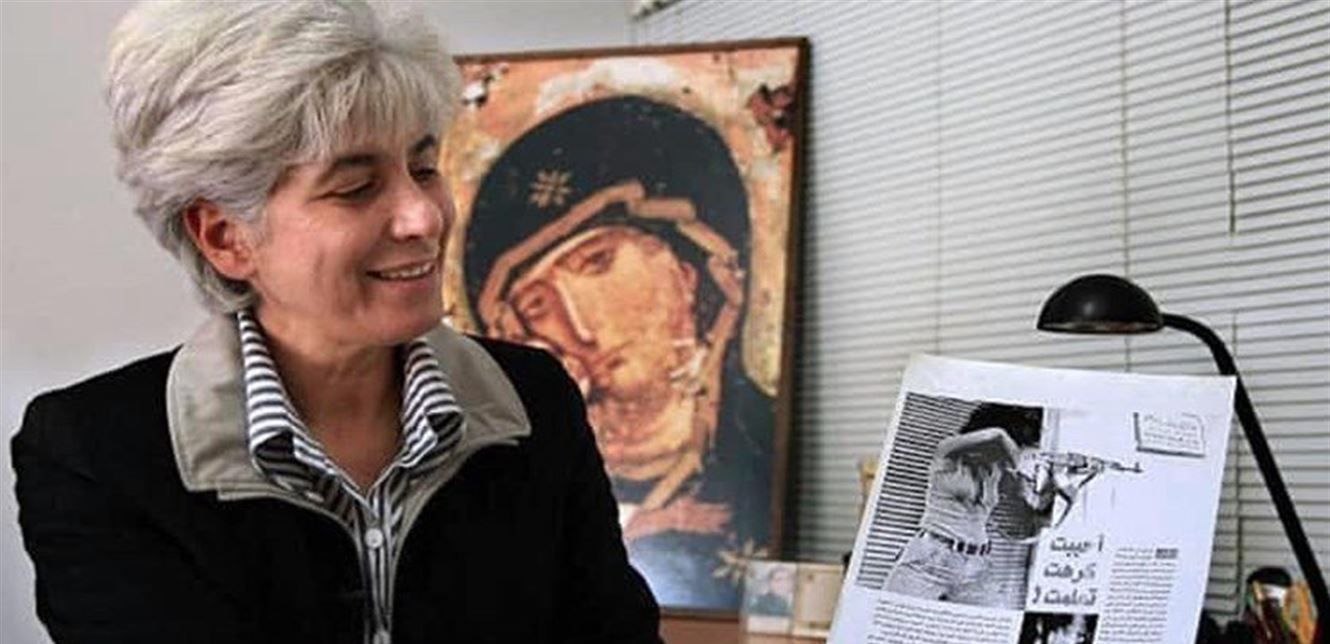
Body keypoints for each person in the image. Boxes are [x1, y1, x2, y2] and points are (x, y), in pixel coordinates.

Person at [10, 3, 660, 643]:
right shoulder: (93, 453)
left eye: (424, 168)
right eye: (355, 188)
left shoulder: (533, 401)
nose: (423, 217)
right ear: (225, 237)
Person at [462, 95, 775, 611]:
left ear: (689, 269)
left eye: (597, 262)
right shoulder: (513, 482)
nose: (580, 329)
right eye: (537, 304)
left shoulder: (761, 453)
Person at [885, 403, 1089, 606]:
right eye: (1016, 446)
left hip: (976, 565)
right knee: (894, 614)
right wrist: (1022, 460)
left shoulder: (997, 470)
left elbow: (1038, 516)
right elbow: (996, 435)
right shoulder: (947, 453)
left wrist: (1064, 489)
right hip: (930, 559)